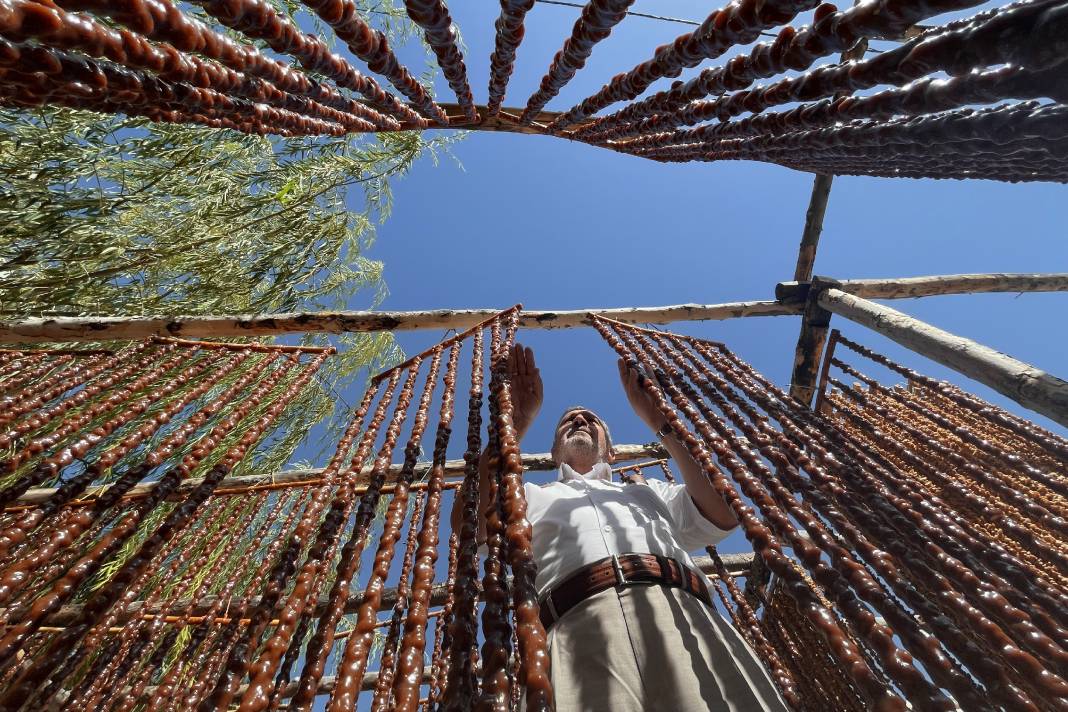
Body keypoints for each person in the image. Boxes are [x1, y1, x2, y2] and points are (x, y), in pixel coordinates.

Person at [451, 343, 789, 712]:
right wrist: (513, 425)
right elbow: (468, 521)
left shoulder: (649, 491)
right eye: (568, 420)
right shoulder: (527, 496)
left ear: (612, 452)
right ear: (553, 453)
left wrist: (662, 422)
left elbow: (722, 511)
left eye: (591, 419)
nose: (580, 420)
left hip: (684, 615)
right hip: (573, 631)